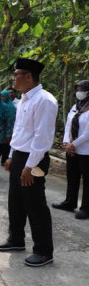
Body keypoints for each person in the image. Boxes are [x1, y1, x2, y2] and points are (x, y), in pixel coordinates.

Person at [0, 58, 58, 267]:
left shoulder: (44, 100)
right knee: (16, 201)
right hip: (20, 155)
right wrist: (12, 155)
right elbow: (19, 131)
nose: (14, 78)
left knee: (35, 204)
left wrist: (29, 166)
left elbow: (42, 138)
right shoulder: (24, 99)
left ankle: (44, 251)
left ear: (28, 76)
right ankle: (16, 239)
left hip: (34, 159)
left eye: (16, 74)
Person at [52, 80, 89, 219]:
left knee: (87, 180)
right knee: (72, 176)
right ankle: (70, 202)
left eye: (82, 89)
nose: (79, 92)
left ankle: (85, 208)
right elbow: (68, 125)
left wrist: (74, 144)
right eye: (77, 89)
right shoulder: (75, 106)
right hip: (72, 149)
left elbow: (87, 133)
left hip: (86, 151)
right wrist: (67, 142)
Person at [0, 90, 17, 165]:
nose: (2, 98)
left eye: (3, 96)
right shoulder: (0, 105)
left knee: (6, 146)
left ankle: (5, 160)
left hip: (9, 129)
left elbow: (11, 121)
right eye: (1, 96)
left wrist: (8, 133)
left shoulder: (11, 107)